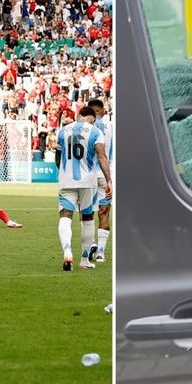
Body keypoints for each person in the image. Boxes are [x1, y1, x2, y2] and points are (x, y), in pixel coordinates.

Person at [55, 105, 111, 271]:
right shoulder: (95, 132)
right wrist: (109, 180)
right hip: (88, 181)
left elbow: (58, 158)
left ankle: (67, 251)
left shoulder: (63, 131)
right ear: (92, 118)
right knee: (87, 218)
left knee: (65, 216)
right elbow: (102, 157)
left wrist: (63, 173)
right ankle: (85, 259)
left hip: (66, 180)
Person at [88, 98, 112, 262]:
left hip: (88, 175)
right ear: (103, 111)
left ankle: (91, 243)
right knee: (104, 212)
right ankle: (101, 252)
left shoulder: (85, 129)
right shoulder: (112, 127)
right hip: (106, 174)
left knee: (87, 212)